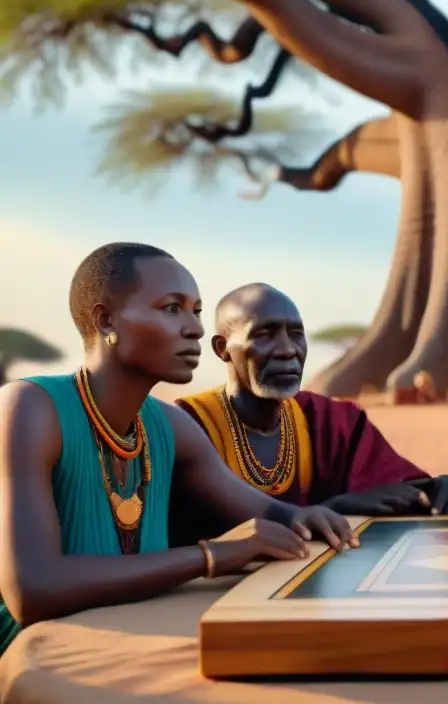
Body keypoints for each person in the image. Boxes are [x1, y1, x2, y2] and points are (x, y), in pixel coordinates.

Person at [0, 244, 356, 656]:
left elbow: (269, 514)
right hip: (29, 664)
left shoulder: (169, 426)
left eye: (197, 311)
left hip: (129, 646)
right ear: (105, 319)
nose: (196, 329)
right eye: (172, 309)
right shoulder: (28, 409)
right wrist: (210, 556)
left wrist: (305, 517)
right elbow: (33, 590)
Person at [173, 283, 448, 541]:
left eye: (296, 334)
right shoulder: (187, 425)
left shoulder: (331, 421)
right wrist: (338, 508)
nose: (287, 349)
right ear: (222, 348)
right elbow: (188, 532)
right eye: (265, 334)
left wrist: (433, 490)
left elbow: (391, 486)